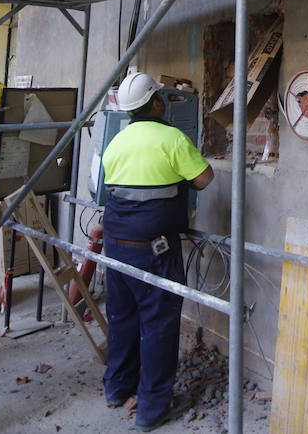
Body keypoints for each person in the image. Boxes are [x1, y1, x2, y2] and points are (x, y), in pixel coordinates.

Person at [100, 71, 214, 431]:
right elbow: (205, 178)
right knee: (159, 325)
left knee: (122, 320)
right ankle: (151, 409)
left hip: (115, 245)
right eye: (160, 97)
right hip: (155, 249)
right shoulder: (172, 137)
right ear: (155, 103)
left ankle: (117, 389)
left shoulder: (116, 140)